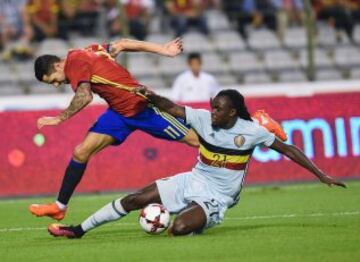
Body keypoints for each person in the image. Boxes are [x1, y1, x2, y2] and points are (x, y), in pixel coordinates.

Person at [29, 38, 287, 221]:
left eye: (52, 81)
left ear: (56, 66)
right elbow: (123, 43)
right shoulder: (89, 52)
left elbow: (84, 96)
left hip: (143, 109)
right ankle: (60, 206)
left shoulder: (74, 63)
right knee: (81, 152)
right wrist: (162, 50)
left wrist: (58, 119)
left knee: (198, 140)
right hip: (119, 113)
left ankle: (257, 124)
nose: (55, 85)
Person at [47, 89, 345, 238]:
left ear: (233, 113)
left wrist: (321, 175)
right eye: (212, 106)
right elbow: (172, 108)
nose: (211, 112)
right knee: (136, 198)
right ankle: (78, 230)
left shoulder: (252, 132)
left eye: (218, 109)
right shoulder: (203, 118)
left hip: (220, 195)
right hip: (194, 178)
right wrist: (149, 95)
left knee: (177, 228)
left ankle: (202, 216)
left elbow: (289, 149)